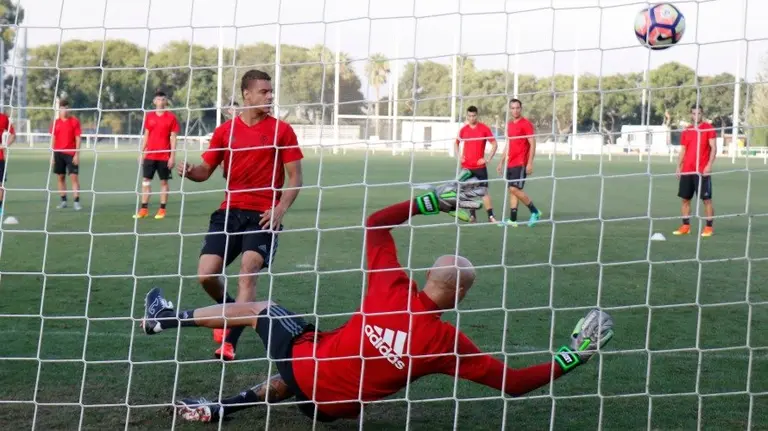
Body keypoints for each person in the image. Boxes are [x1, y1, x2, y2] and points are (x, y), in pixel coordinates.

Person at [140, 177, 615, 424]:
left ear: (427, 275)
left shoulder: (390, 283)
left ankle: (165, 318)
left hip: (307, 368)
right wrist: (573, 355)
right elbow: (513, 383)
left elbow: (374, 224)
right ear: (461, 295)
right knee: (314, 353)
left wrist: (431, 202)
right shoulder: (446, 341)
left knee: (268, 313)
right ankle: (224, 407)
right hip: (333, 410)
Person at [176, 69, 304, 361]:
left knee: (248, 271)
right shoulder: (225, 131)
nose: (270, 96)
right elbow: (204, 171)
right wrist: (189, 171)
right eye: (264, 92)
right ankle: (233, 310)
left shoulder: (281, 130)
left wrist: (280, 208)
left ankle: (229, 342)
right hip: (230, 212)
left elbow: (295, 177)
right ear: (247, 94)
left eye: (271, 92)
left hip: (263, 214)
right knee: (205, 275)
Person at [134, 90, 180, 220]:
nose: (161, 101)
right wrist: (142, 152)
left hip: (164, 156)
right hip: (150, 156)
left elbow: (173, 137)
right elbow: (146, 135)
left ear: (166, 101)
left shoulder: (171, 117)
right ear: (154, 101)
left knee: (164, 182)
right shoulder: (149, 116)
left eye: (163, 99)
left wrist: (172, 156)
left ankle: (162, 209)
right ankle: (143, 209)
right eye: (158, 99)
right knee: (145, 182)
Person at [674, 104, 717, 238]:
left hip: (702, 171)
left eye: (699, 113)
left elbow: (714, 148)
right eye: (694, 113)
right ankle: (686, 226)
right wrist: (678, 166)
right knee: (685, 199)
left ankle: (709, 228)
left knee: (707, 200)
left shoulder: (708, 128)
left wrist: (709, 165)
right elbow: (683, 150)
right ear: (691, 115)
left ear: (702, 114)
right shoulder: (687, 130)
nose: (696, 116)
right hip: (687, 170)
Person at [497, 98, 541, 227]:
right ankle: (513, 220)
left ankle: (535, 211)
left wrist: (530, 163)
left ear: (521, 109)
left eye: (517, 108)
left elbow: (532, 143)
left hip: (521, 162)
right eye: (513, 108)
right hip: (510, 163)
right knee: (512, 191)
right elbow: (508, 144)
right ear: (510, 109)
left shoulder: (526, 124)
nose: (515, 110)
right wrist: (501, 162)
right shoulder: (510, 125)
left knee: (514, 189)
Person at [454, 105, 498, 223]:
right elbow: (456, 143)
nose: (471, 118)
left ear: (477, 115)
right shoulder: (463, 130)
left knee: (483, 192)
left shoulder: (484, 128)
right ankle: (473, 216)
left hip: (480, 167)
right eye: (469, 116)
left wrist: (487, 159)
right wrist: (459, 157)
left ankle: (491, 217)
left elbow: (494, 144)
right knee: (468, 192)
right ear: (467, 116)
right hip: (466, 168)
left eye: (473, 116)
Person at [50, 99, 83, 211]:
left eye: (66, 108)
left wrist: (77, 154)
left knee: (74, 177)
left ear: (69, 109)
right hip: (58, 153)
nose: (64, 110)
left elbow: (78, 138)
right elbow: (53, 139)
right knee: (60, 177)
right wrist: (52, 155)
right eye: (62, 108)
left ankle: (76, 201)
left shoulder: (74, 121)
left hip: (71, 153)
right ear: (59, 109)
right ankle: (63, 200)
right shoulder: (56, 122)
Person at [0, 110, 16, 216]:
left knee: (0, 185)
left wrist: (5, 145)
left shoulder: (3, 118)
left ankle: (0, 209)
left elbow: (13, 134)